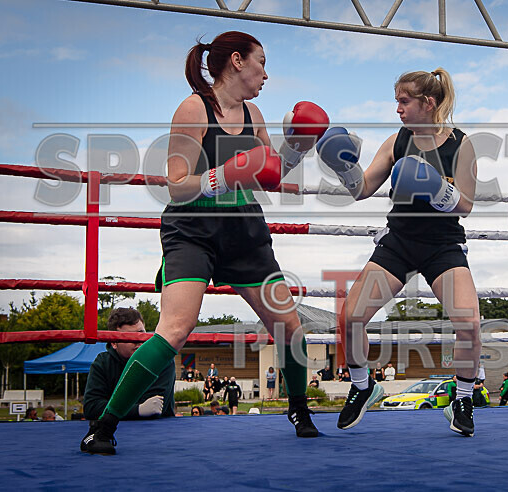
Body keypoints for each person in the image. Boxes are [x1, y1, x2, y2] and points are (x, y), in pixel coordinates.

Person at [80, 31, 328, 454]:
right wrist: (225, 174)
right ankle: (103, 425)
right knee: (176, 328)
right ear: (236, 61)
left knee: (289, 327)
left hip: (244, 231)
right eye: (261, 63)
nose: (266, 74)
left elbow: (271, 174)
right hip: (192, 229)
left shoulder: (255, 115)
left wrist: (299, 147)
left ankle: (300, 410)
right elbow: (176, 186)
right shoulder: (194, 108)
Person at [319, 69, 481, 436]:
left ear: (428, 103)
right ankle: (362, 387)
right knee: (350, 318)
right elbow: (362, 189)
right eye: (397, 101)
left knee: (469, 325)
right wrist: (343, 166)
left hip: (443, 245)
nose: (398, 109)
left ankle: (463, 398)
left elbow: (467, 204)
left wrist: (435, 189)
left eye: (404, 101)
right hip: (399, 242)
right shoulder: (397, 142)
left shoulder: (461, 143)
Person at [81, 308, 176, 452]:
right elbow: (91, 407)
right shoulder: (102, 362)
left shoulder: (162, 361)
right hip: (116, 435)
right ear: (114, 342)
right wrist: (137, 410)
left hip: (159, 436)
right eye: (130, 336)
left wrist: (112, 410)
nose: (138, 341)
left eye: (141, 334)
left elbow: (155, 406)